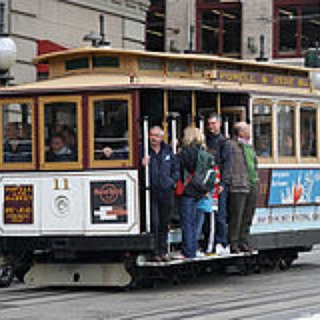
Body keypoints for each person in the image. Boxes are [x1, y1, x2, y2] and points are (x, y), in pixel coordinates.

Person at [142, 126, 180, 262]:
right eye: (151, 135)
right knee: (154, 222)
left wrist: (171, 181)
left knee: (164, 222)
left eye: (157, 136)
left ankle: (163, 251)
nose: (153, 138)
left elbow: (176, 170)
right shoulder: (144, 150)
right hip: (151, 192)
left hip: (166, 192)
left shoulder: (168, 151)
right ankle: (154, 252)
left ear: (162, 137)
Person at [228, 122, 259, 254]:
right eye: (246, 129)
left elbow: (254, 163)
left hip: (252, 183)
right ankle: (233, 242)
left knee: (248, 215)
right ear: (240, 132)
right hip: (238, 184)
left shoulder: (249, 146)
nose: (249, 131)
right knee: (237, 216)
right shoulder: (231, 145)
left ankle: (244, 241)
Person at [177, 127, 207, 259]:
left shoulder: (185, 153)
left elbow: (179, 169)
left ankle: (188, 251)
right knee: (195, 222)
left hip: (188, 191)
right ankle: (193, 248)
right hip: (200, 191)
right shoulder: (203, 152)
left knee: (187, 222)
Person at [206, 113, 232, 254]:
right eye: (209, 124)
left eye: (213, 123)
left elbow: (228, 164)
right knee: (209, 214)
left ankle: (222, 242)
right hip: (208, 184)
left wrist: (223, 183)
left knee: (221, 214)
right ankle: (210, 241)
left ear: (220, 124)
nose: (211, 127)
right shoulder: (206, 141)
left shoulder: (224, 142)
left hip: (220, 185)